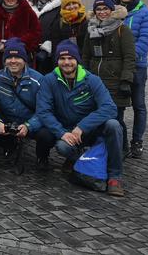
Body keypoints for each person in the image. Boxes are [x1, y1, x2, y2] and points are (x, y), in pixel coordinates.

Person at [37, 41, 125, 196]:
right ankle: (80, 160)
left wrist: (82, 127)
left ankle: (115, 177)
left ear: (77, 60)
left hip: (90, 131)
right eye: (62, 58)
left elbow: (110, 108)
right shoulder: (49, 80)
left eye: (71, 58)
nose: (66, 62)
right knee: (62, 146)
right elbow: (43, 112)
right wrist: (62, 133)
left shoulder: (92, 80)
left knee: (114, 125)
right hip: (67, 131)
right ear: (57, 61)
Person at [0, 38, 49, 169]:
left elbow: (45, 110)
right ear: (4, 61)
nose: (13, 61)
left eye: (17, 57)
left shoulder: (38, 80)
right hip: (7, 121)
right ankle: (9, 145)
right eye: (9, 57)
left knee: (46, 134)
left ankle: (42, 157)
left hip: (30, 121)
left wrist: (28, 126)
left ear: (25, 60)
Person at [82, 0, 135, 152]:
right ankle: (101, 148)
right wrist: (83, 74)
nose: (102, 12)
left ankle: (122, 148)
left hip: (115, 81)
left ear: (111, 10)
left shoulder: (122, 30)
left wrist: (126, 80)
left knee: (116, 117)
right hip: (95, 80)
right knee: (97, 115)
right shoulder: (91, 28)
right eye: (99, 9)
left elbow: (130, 57)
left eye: (105, 8)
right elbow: (85, 55)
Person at [115, 0, 148, 158]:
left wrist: (126, 58)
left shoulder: (145, 13)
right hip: (116, 68)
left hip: (137, 67)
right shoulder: (113, 11)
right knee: (118, 106)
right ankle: (120, 141)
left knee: (138, 105)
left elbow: (146, 41)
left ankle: (137, 141)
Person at [26, 0, 63, 74]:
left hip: (49, 50)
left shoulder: (59, 6)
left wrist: (49, 44)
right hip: (29, 48)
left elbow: (58, 28)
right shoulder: (26, 4)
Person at [47, 0, 88, 68]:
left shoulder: (87, 21)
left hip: (84, 63)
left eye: (74, 3)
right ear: (63, 7)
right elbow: (55, 49)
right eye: (68, 4)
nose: (72, 6)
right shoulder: (58, 23)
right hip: (65, 63)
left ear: (79, 4)